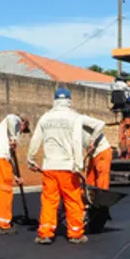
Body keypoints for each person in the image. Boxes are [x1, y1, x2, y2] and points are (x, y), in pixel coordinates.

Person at [27, 88, 102, 245]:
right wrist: (79, 163)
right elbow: (76, 141)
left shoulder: (45, 118)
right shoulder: (74, 118)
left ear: (54, 101)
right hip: (67, 166)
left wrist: (31, 158)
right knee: (73, 200)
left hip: (49, 166)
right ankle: (75, 233)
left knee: (49, 200)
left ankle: (45, 233)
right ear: (69, 101)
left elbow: (35, 139)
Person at [0, 113, 31, 234]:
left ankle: (1, 220)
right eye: (23, 130)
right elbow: (11, 117)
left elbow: (9, 159)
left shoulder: (5, 135)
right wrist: (14, 138)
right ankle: (2, 224)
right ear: (23, 123)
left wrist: (16, 176)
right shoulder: (14, 121)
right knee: (3, 191)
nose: (21, 133)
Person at [82, 115, 113, 191]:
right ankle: (91, 199)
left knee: (101, 181)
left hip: (102, 151)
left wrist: (92, 141)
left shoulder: (81, 119)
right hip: (93, 154)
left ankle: (101, 199)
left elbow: (101, 124)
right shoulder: (69, 129)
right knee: (90, 180)